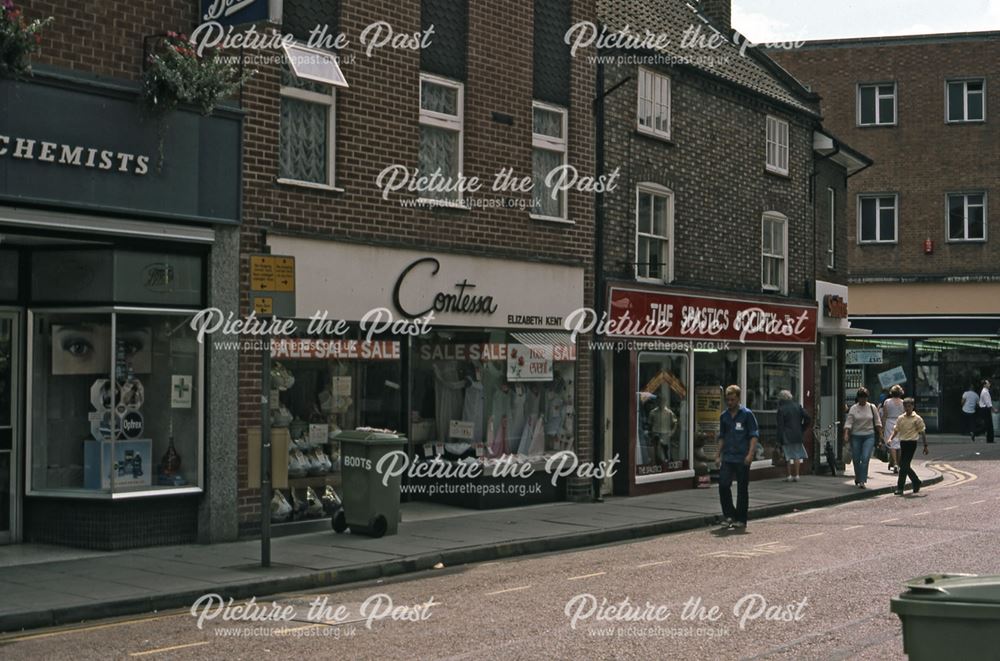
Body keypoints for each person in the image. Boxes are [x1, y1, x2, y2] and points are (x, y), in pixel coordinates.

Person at [716, 385, 759, 530]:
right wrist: (717, 455)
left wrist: (750, 454)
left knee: (742, 489)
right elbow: (722, 437)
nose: (729, 403)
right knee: (723, 485)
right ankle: (729, 515)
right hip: (728, 457)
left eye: (732, 400)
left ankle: (741, 519)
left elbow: (753, 436)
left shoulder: (747, 414)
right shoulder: (724, 416)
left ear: (738, 399)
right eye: (727, 400)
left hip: (742, 457)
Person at [843, 387, 882, 489]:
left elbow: (878, 422)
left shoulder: (872, 407)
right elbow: (849, 422)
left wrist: (881, 436)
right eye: (861, 398)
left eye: (865, 398)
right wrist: (846, 433)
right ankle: (858, 476)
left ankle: (862, 480)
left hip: (869, 435)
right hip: (856, 436)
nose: (863, 400)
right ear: (858, 398)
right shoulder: (854, 408)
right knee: (856, 459)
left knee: (865, 458)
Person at [889, 397, 928, 495]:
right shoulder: (900, 418)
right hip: (903, 442)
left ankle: (900, 488)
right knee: (903, 465)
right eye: (905, 406)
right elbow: (896, 430)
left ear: (913, 407)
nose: (907, 408)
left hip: (912, 443)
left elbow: (922, 432)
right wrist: (891, 438)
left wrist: (925, 446)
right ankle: (916, 481)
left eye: (909, 406)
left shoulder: (917, 418)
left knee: (904, 465)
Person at [775, 389, 810, 482]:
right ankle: (797, 475)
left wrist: (778, 439)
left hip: (786, 435)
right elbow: (807, 417)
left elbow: (780, 426)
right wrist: (802, 428)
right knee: (796, 455)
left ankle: (789, 476)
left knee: (787, 456)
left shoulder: (781, 409)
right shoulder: (797, 406)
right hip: (797, 434)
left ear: (781, 399)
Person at [880, 385, 905, 473]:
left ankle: (894, 463)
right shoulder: (903, 402)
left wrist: (882, 427)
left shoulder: (887, 401)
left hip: (889, 423)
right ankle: (899, 463)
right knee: (899, 444)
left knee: (892, 444)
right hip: (900, 422)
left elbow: (885, 415)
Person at [979, 380, 994, 444]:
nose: (989, 384)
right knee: (989, 425)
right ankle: (990, 439)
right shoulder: (985, 392)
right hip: (986, 409)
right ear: (984, 385)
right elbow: (987, 402)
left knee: (988, 425)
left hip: (985, 409)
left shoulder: (985, 391)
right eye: (988, 383)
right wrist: (993, 408)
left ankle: (990, 439)